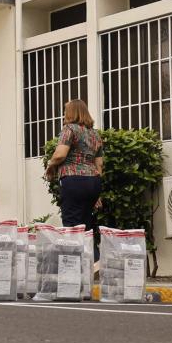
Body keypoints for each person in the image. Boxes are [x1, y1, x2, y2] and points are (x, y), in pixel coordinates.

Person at [45, 99, 103, 245]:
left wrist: (50, 165)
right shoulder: (95, 134)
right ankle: (93, 264)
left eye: (65, 111)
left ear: (71, 112)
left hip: (74, 181)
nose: (64, 114)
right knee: (86, 229)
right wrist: (97, 194)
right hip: (93, 183)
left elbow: (60, 154)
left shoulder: (69, 129)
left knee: (72, 229)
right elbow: (99, 164)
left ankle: (73, 266)